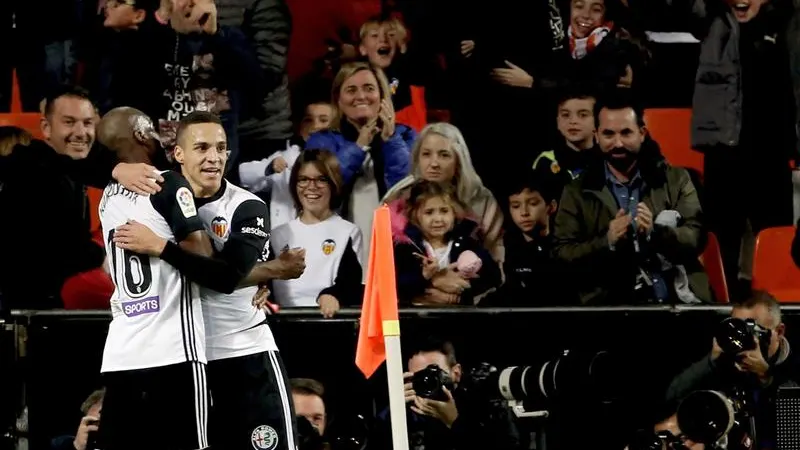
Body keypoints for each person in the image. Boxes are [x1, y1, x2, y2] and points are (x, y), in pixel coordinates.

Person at [113, 111, 301, 450]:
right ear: (178, 153)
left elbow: (226, 276)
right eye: (201, 148)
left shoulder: (247, 206)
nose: (213, 157)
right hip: (182, 362)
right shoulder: (152, 196)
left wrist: (161, 248)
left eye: (221, 148)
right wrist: (115, 168)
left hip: (244, 354)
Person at [96, 107, 213, 450]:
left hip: (122, 351)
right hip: (173, 350)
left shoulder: (106, 196)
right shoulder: (167, 183)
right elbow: (203, 259)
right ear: (141, 135)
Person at [665, 291, 800, 450]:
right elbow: (673, 395)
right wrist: (712, 361)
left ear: (779, 331)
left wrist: (766, 376)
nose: (743, 339)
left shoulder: (795, 363)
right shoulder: (728, 356)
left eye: (753, 331)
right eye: (738, 329)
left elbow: (792, 428)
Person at [392, 181, 501, 305]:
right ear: (415, 216)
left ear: (454, 213)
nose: (438, 219)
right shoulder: (405, 247)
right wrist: (425, 277)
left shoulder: (467, 242)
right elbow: (395, 286)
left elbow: (494, 277)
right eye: (429, 212)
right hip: (417, 318)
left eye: (444, 211)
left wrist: (464, 288)